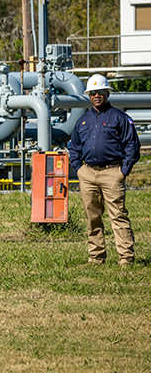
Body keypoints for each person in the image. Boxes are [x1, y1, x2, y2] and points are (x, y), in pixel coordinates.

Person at [68, 74, 140, 266]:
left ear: (107, 93)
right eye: (93, 93)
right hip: (88, 174)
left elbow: (132, 146)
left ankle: (126, 259)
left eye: (100, 92)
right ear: (89, 96)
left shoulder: (120, 118)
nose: (97, 96)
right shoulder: (82, 121)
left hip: (112, 173)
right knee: (92, 217)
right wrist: (79, 169)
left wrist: (123, 171)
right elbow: (73, 146)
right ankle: (96, 257)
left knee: (118, 216)